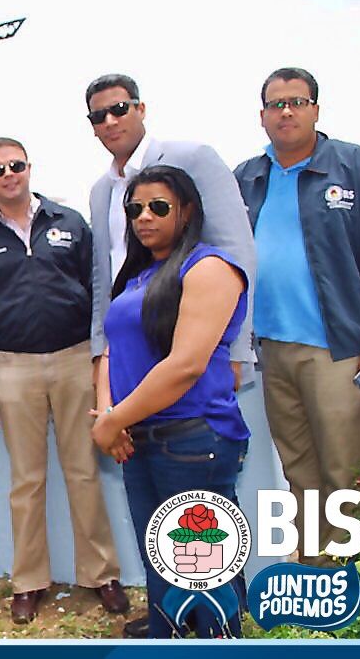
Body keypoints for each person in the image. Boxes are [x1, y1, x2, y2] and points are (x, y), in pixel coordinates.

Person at [0, 137, 128, 624]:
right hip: (13, 367)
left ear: (29, 167)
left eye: (15, 165)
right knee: (26, 481)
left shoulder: (68, 223)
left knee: (83, 471)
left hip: (74, 359)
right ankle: (29, 582)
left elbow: (98, 291)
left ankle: (102, 574)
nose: (8, 174)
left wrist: (101, 358)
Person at [92, 165, 250, 638]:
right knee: (160, 562)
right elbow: (111, 351)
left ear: (187, 212)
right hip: (139, 437)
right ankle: (168, 639)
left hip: (192, 438)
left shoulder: (209, 267)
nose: (144, 217)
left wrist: (113, 420)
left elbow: (185, 366)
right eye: (135, 208)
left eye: (158, 207)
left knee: (203, 569)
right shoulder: (138, 276)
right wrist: (109, 414)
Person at [234, 67, 360, 562]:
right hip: (273, 351)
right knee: (299, 471)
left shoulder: (354, 167)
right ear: (262, 116)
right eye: (276, 104)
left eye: (297, 102)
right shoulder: (247, 179)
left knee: (348, 473)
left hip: (338, 349)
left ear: (316, 109)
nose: (287, 112)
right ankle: (317, 572)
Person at [85, 73, 256, 394]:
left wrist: (237, 350)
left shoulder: (193, 158)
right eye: (98, 116)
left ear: (141, 109)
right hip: (128, 350)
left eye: (119, 109)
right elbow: (103, 277)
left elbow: (236, 253)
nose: (110, 121)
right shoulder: (101, 191)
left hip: (194, 343)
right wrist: (101, 352)